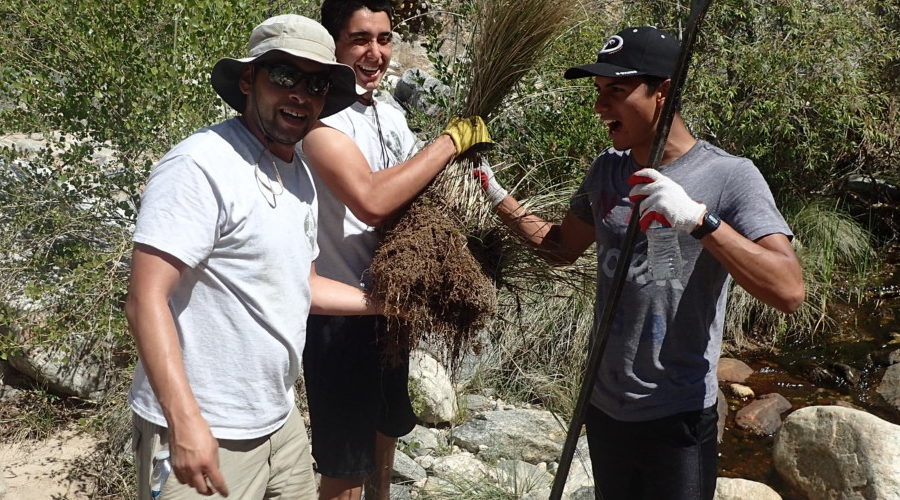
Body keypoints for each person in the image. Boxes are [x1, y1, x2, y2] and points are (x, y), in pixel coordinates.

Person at [474, 26, 804, 499]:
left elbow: (788, 290)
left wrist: (698, 219)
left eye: (616, 91)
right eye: (598, 91)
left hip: (678, 414)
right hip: (605, 406)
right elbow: (561, 248)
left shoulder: (730, 176)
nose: (599, 107)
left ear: (662, 93)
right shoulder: (608, 169)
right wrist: (493, 193)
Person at [125, 14, 383, 499]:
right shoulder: (201, 165)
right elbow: (145, 298)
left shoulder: (300, 175)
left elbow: (300, 284)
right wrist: (185, 422)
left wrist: (389, 302)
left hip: (278, 422)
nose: (300, 94)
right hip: (207, 427)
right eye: (284, 75)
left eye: (316, 82)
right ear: (249, 79)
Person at [297, 1, 491, 499]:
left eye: (384, 39)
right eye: (360, 39)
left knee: (386, 431)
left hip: (392, 305)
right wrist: (449, 142)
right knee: (345, 466)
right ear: (333, 44)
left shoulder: (390, 113)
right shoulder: (320, 125)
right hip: (339, 314)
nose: (375, 52)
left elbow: (414, 194)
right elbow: (373, 201)